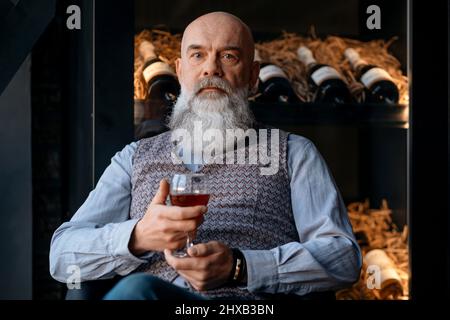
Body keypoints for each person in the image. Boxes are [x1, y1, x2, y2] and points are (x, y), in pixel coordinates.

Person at [50, 11, 362, 300]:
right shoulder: (133, 158)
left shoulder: (293, 153)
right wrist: (137, 237)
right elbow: (62, 255)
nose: (211, 68)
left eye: (228, 56)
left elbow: (343, 256)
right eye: (198, 54)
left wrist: (241, 266)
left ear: (253, 76)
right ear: (179, 70)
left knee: (138, 289)